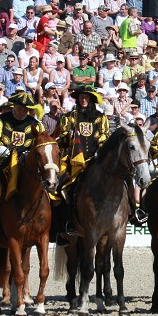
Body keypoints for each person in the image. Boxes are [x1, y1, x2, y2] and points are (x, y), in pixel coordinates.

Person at [0, 91, 46, 252]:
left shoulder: (36, 124)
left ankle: (52, 227)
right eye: (19, 107)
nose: (22, 111)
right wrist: (0, 147)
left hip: (27, 165)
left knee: (49, 189)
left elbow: (42, 143)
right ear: (14, 106)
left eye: (25, 109)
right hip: (3, 164)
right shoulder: (1, 120)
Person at [54, 85, 110, 238]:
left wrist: (100, 149)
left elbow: (104, 136)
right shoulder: (69, 116)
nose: (83, 99)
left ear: (91, 99)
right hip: (73, 162)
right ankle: (64, 224)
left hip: (95, 161)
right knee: (60, 188)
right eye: (81, 97)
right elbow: (62, 139)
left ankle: (131, 212)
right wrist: (68, 135)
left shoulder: (100, 117)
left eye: (86, 97)